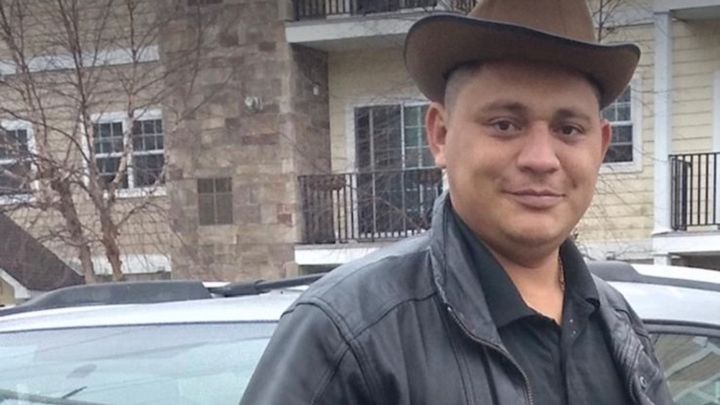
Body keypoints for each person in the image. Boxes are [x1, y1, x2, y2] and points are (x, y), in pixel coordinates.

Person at [240, 0, 674, 404]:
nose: (542, 159)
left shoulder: (620, 327)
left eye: (569, 130)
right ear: (440, 135)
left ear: (601, 147)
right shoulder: (347, 334)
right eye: (505, 125)